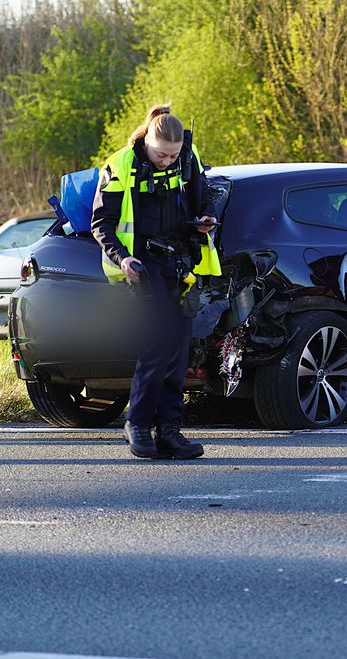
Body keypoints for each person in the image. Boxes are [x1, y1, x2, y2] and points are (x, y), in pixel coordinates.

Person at [91, 104, 221, 459]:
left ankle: (169, 432)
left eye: (173, 155)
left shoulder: (187, 157)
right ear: (147, 140)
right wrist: (123, 258)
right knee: (156, 347)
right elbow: (101, 224)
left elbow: (204, 194)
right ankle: (137, 423)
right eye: (161, 154)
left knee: (178, 351)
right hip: (143, 267)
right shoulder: (119, 165)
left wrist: (207, 216)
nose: (167, 161)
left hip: (180, 265)